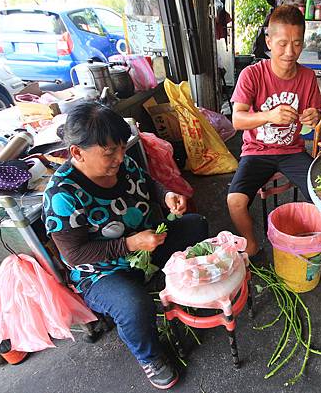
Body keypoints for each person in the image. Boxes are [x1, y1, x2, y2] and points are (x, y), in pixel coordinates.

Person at [42, 102, 208, 390]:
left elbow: (147, 183)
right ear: (77, 152)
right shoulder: (62, 195)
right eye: (109, 153)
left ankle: (168, 280)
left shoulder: (124, 164)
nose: (120, 157)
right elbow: (75, 254)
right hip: (102, 273)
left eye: (121, 148)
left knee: (196, 224)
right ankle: (150, 357)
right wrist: (129, 243)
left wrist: (167, 195)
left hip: (148, 244)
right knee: (134, 304)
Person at [227, 5, 321, 257]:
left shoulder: (308, 77)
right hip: (257, 151)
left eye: (297, 44)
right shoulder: (252, 74)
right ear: (268, 41)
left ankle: (313, 244)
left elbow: (316, 113)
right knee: (235, 202)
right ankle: (251, 242)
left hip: (292, 151)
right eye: (282, 44)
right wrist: (269, 115)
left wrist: (315, 116)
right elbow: (237, 120)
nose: (290, 52)